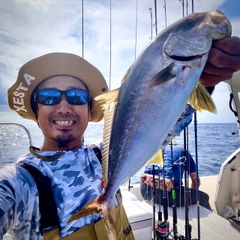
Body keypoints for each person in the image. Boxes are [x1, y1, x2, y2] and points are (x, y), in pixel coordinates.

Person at [0, 35, 239, 239]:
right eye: (49, 97)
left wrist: (201, 82)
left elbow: (166, 125)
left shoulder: (105, 154)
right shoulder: (18, 181)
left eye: (76, 96)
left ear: (88, 108)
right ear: (36, 110)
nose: (64, 106)